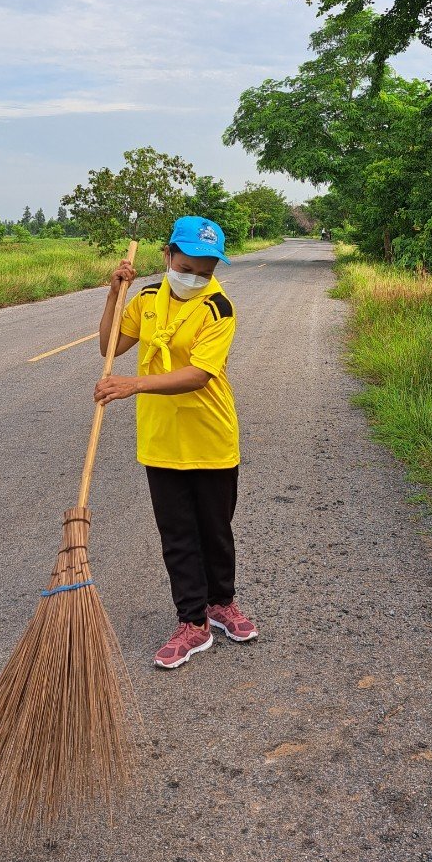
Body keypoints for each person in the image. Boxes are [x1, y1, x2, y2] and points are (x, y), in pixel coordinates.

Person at [94, 215, 258, 669]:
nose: (194, 278)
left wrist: (134, 386)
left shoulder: (218, 308)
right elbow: (110, 345)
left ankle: (221, 603)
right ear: (167, 256)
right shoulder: (145, 299)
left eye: (205, 272)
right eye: (186, 266)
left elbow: (198, 375)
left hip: (211, 437)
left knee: (216, 531)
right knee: (178, 535)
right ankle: (193, 622)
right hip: (161, 440)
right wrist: (114, 294)